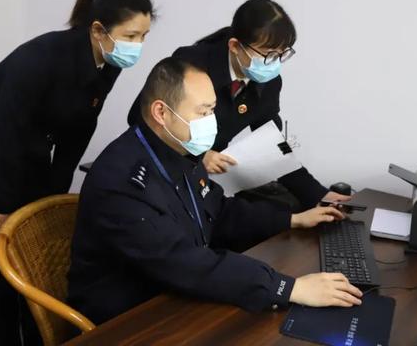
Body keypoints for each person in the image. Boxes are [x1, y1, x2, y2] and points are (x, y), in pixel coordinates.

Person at [68, 57, 362, 325]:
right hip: (126, 316)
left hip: (174, 290)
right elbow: (180, 260)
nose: (213, 120)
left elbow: (219, 212)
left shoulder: (181, 152)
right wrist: (287, 288)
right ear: (161, 112)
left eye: (212, 109)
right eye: (203, 111)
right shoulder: (121, 180)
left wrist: (292, 219)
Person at [0, 0, 154, 346]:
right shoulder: (40, 59)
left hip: (25, 158)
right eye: (131, 36)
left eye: (144, 36)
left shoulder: (108, 62)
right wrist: (4, 208)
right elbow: (5, 135)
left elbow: (78, 131)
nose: (138, 46)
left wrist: (51, 197)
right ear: (98, 30)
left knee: (33, 277)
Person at [151, 0, 351, 211]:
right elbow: (143, 119)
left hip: (206, 181)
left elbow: (273, 145)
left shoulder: (268, 81)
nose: (274, 63)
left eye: (282, 54)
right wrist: (199, 156)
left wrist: (318, 195)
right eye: (268, 54)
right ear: (235, 46)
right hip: (164, 172)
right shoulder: (191, 65)